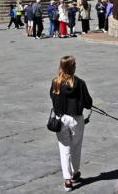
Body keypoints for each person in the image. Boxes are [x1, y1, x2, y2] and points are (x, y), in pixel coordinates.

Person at [50, 55, 93, 192]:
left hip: (61, 118)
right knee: (76, 147)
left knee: (64, 149)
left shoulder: (56, 82)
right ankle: (75, 172)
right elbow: (88, 103)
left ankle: (67, 179)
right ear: (71, 67)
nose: (76, 66)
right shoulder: (80, 83)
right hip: (76, 119)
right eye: (74, 64)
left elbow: (53, 99)